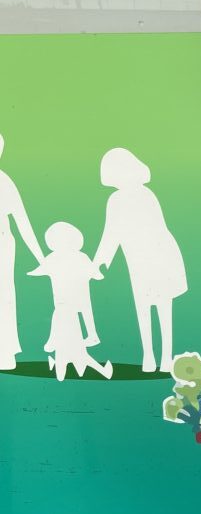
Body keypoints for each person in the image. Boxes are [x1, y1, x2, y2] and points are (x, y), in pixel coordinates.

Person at [93, 148, 186, 373]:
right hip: (137, 261)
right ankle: (148, 356)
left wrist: (100, 260)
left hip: (159, 258)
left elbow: (154, 230)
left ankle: (166, 358)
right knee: (143, 307)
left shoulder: (146, 195)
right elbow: (110, 233)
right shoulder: (115, 200)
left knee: (163, 307)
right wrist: (100, 260)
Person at [29, 222, 111, 381]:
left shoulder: (54, 258)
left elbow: (38, 270)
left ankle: (56, 343)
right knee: (83, 310)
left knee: (65, 313)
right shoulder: (80, 257)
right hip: (75, 301)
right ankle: (90, 336)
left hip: (63, 302)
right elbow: (96, 274)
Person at [0, 132, 44, 369]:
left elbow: (22, 221)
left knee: (3, 296)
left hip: (2, 244)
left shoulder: (4, 181)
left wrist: (40, 257)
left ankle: (5, 353)